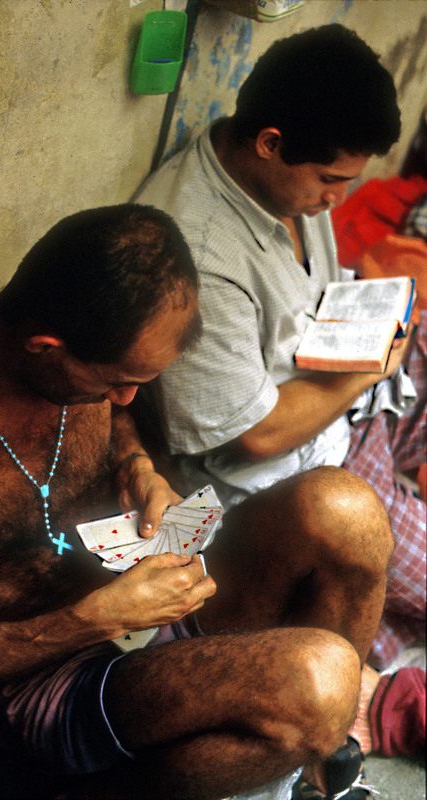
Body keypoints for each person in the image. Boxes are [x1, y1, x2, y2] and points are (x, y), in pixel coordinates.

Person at [0, 204, 395, 799]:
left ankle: (317, 765)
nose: (127, 397)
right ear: (44, 347)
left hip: (141, 592)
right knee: (323, 681)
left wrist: (137, 465)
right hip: (43, 677)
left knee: (347, 511)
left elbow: (118, 412)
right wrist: (106, 615)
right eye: (115, 382)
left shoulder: (80, 351)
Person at [133, 24, 426, 675]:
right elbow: (255, 437)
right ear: (270, 143)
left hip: (345, 407)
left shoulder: (275, 179)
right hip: (299, 470)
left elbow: (316, 288)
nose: (336, 200)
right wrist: (366, 370)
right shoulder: (199, 252)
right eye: (329, 179)